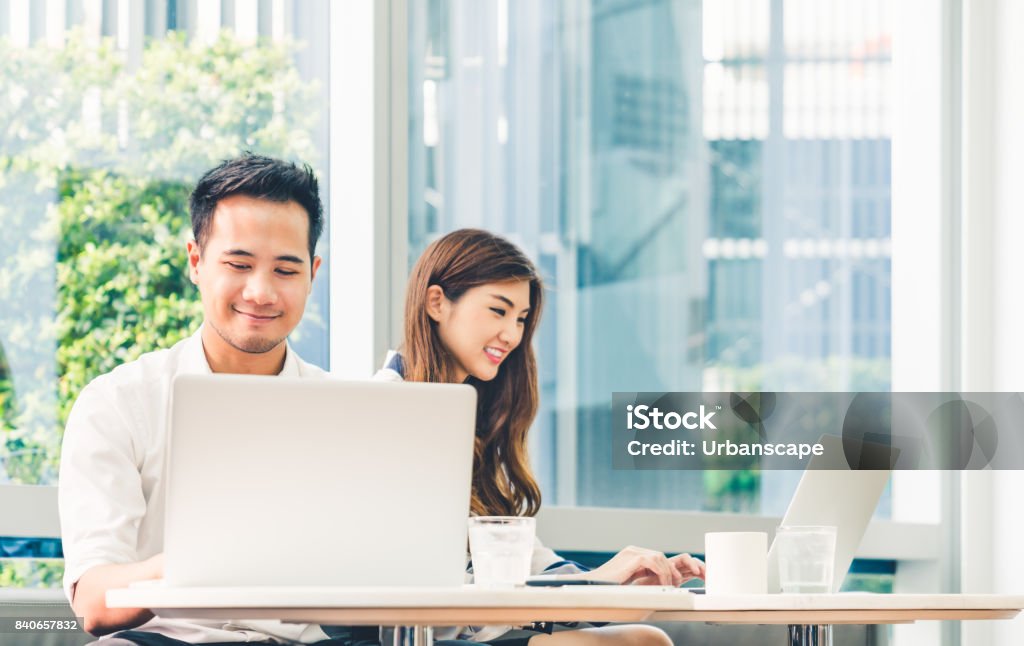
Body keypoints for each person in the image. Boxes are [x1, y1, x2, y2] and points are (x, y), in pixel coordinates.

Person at [58, 154, 368, 645]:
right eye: (239, 264)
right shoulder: (118, 403)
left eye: (286, 270)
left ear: (312, 273)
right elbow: (95, 602)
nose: (261, 292)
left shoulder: (349, 414)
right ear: (196, 261)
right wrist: (210, 560)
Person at [375, 228, 706, 646]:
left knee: (643, 637)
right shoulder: (384, 410)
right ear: (437, 302)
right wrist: (590, 590)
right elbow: (420, 590)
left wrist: (611, 582)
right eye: (499, 311)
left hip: (463, 631)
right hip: (413, 635)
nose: (512, 335)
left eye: (521, 319)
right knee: (642, 642)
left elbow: (529, 562)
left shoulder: (474, 424)